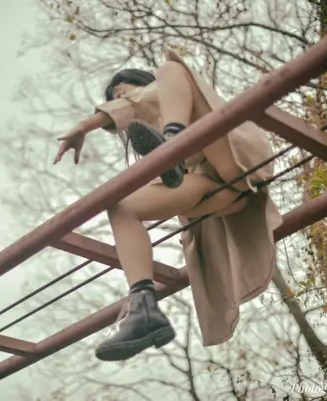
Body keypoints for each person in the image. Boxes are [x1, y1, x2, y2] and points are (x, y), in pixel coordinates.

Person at [53, 48, 283, 362]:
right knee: (121, 206)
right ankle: (143, 307)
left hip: (235, 158)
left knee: (170, 68)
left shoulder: (170, 86)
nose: (121, 98)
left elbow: (145, 97)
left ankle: (174, 145)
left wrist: (85, 125)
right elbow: (136, 107)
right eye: (115, 97)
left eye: (122, 92)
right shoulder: (150, 133)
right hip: (217, 193)